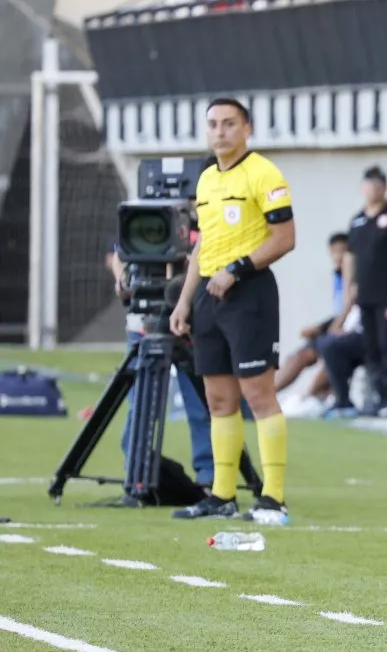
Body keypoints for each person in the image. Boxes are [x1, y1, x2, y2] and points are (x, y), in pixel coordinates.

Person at [168, 97, 295, 523]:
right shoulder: (205, 180)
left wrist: (237, 270)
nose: (220, 131)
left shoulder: (265, 173)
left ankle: (273, 499)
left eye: (229, 124)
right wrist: (185, 300)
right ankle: (222, 495)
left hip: (249, 295)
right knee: (218, 400)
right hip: (209, 296)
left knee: (258, 396)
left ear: (247, 129)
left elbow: (284, 237)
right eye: (213, 124)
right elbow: (202, 246)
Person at [105, 244, 214, 489]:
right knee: (140, 404)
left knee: (201, 404)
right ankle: (136, 474)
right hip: (141, 323)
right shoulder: (141, 210)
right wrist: (122, 279)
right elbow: (119, 253)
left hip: (190, 322)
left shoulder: (203, 214)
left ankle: (209, 477)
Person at [339, 166, 387, 418]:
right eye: (369, 184)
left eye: (377, 185)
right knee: (370, 346)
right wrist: (349, 286)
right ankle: (374, 395)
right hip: (365, 296)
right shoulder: (358, 219)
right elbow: (350, 256)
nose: (373, 190)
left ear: (385, 187)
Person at [276, 232, 350, 416]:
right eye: (334, 252)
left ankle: (306, 398)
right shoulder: (338, 277)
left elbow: (355, 312)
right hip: (338, 330)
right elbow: (339, 312)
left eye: (343, 251)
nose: (338, 257)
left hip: (355, 334)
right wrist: (320, 328)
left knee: (330, 350)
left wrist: (323, 329)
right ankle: (266, 396)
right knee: (303, 354)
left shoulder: (359, 279)